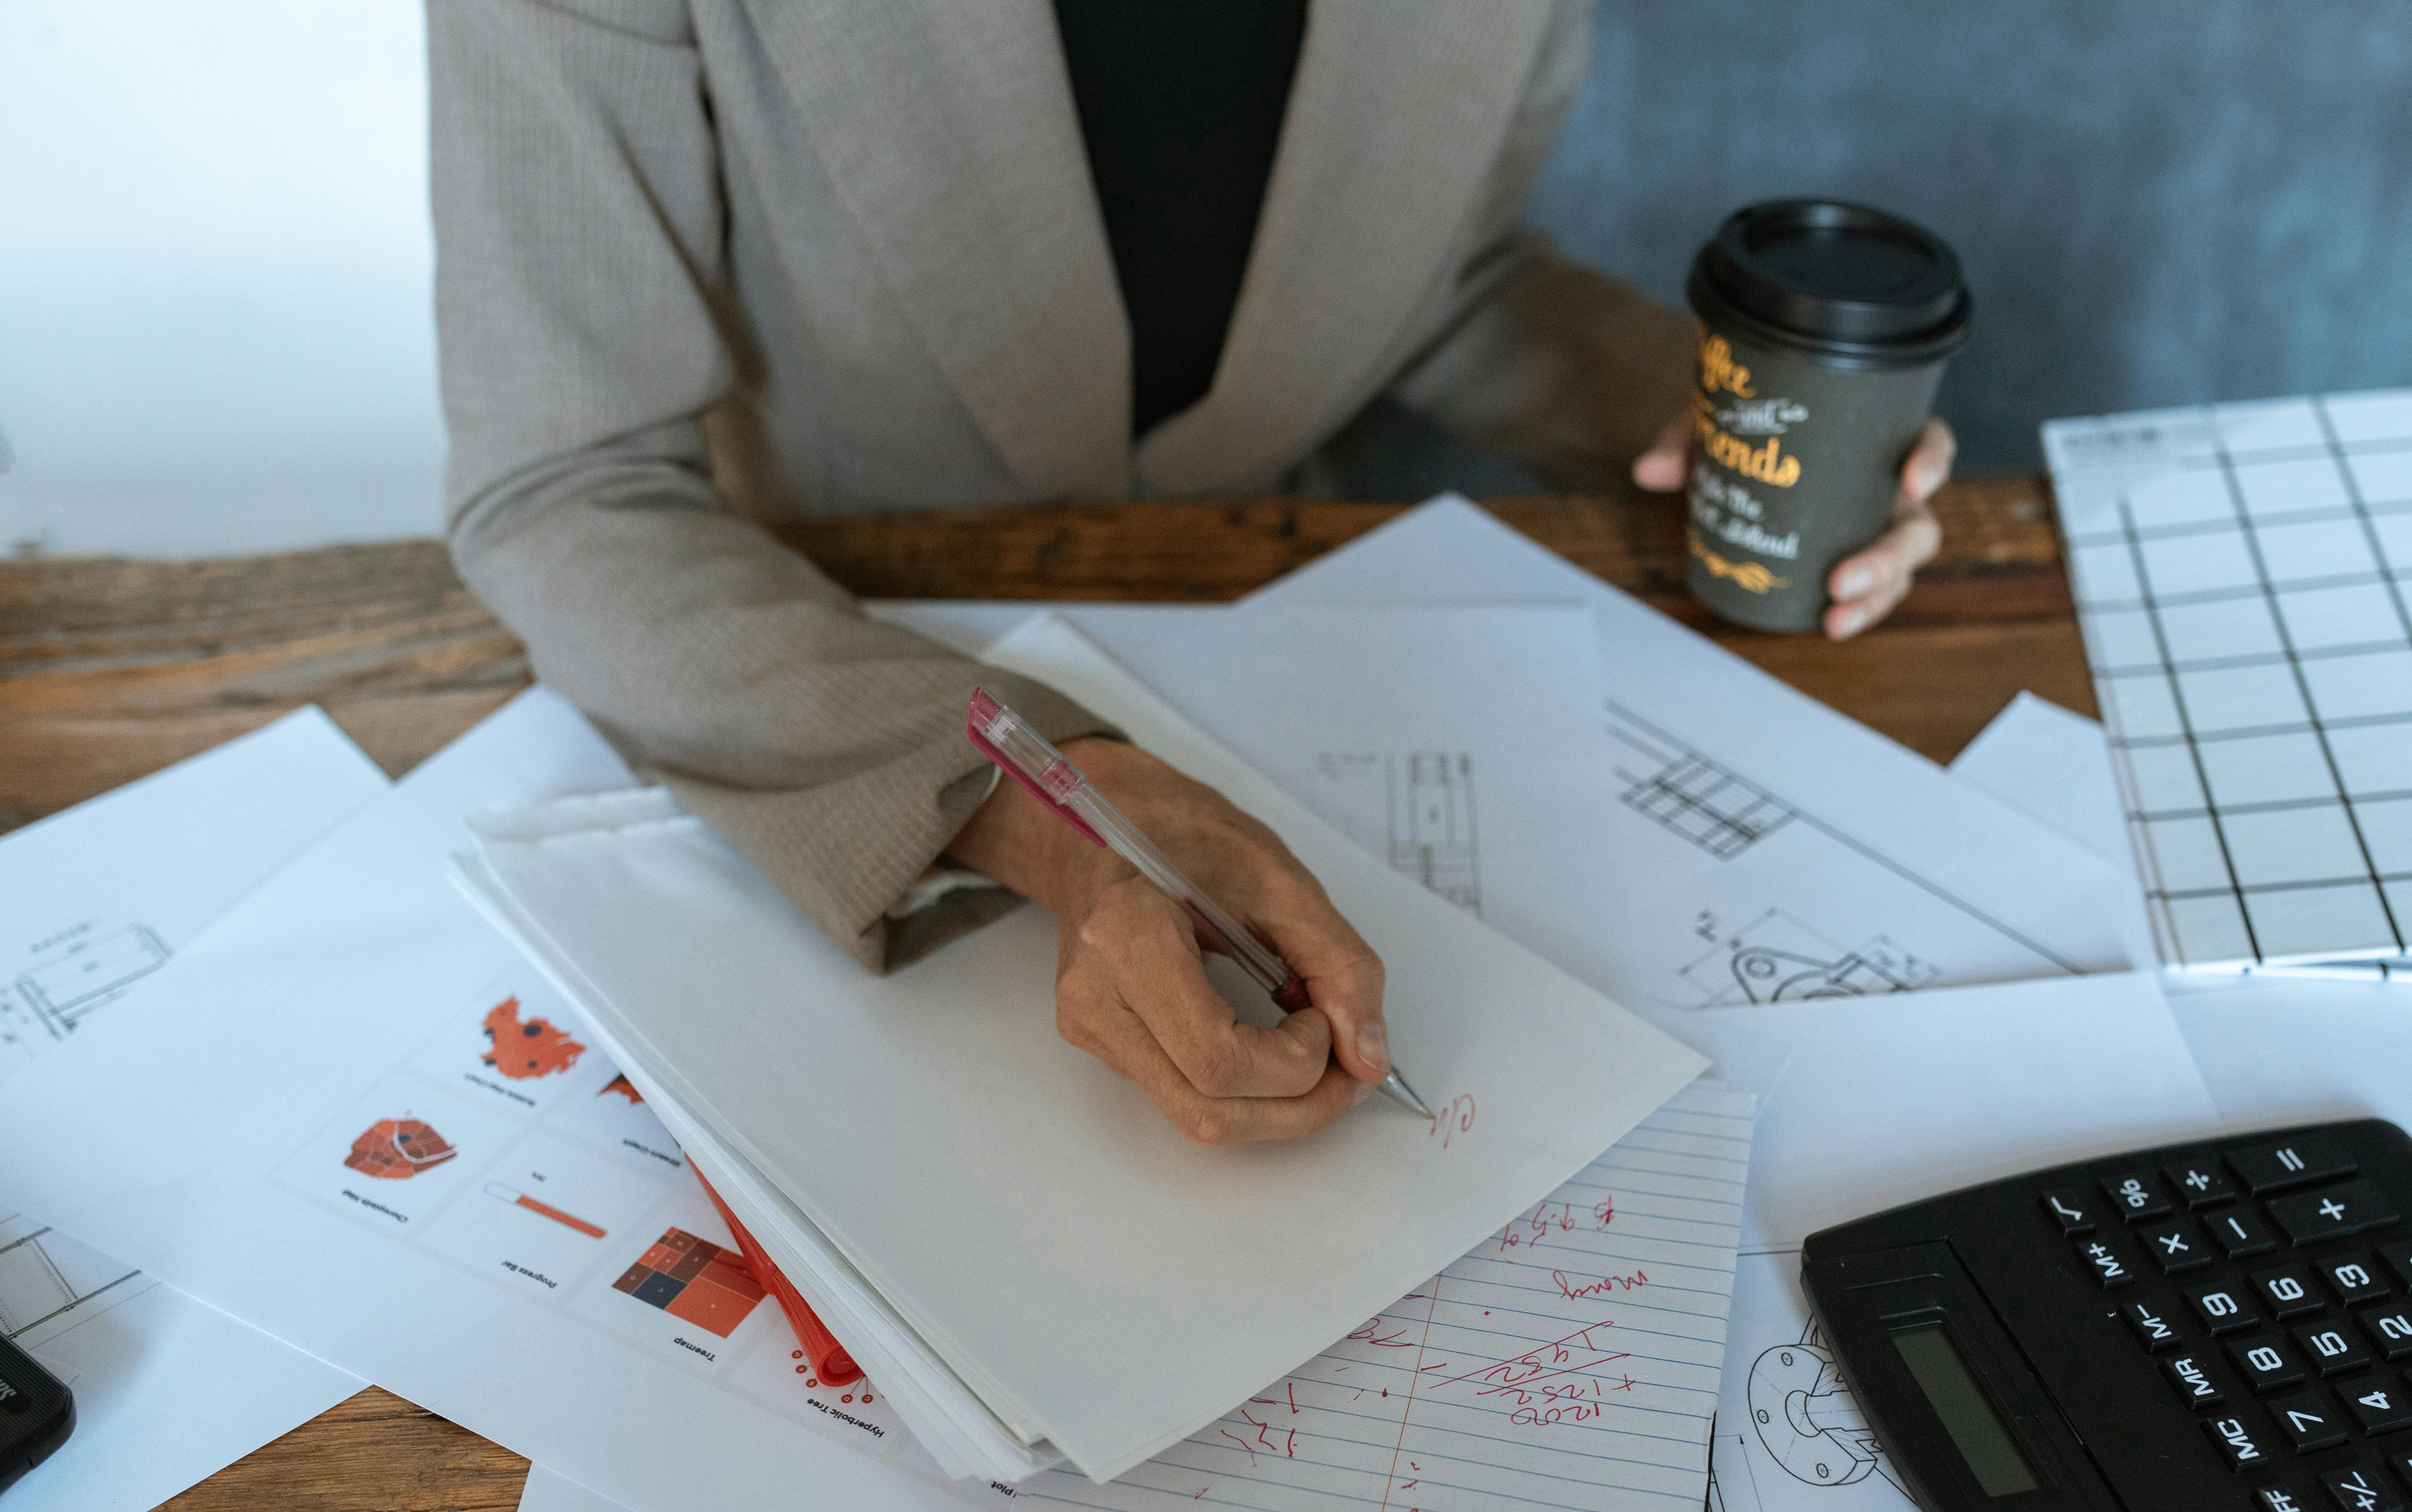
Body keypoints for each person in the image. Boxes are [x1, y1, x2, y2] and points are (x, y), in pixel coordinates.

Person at [431, 0, 1954, 1145]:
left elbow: (1440, 280)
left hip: (1280, 624)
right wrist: (1042, 810)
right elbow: (565, 486)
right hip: (822, 663)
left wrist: (1713, 418)